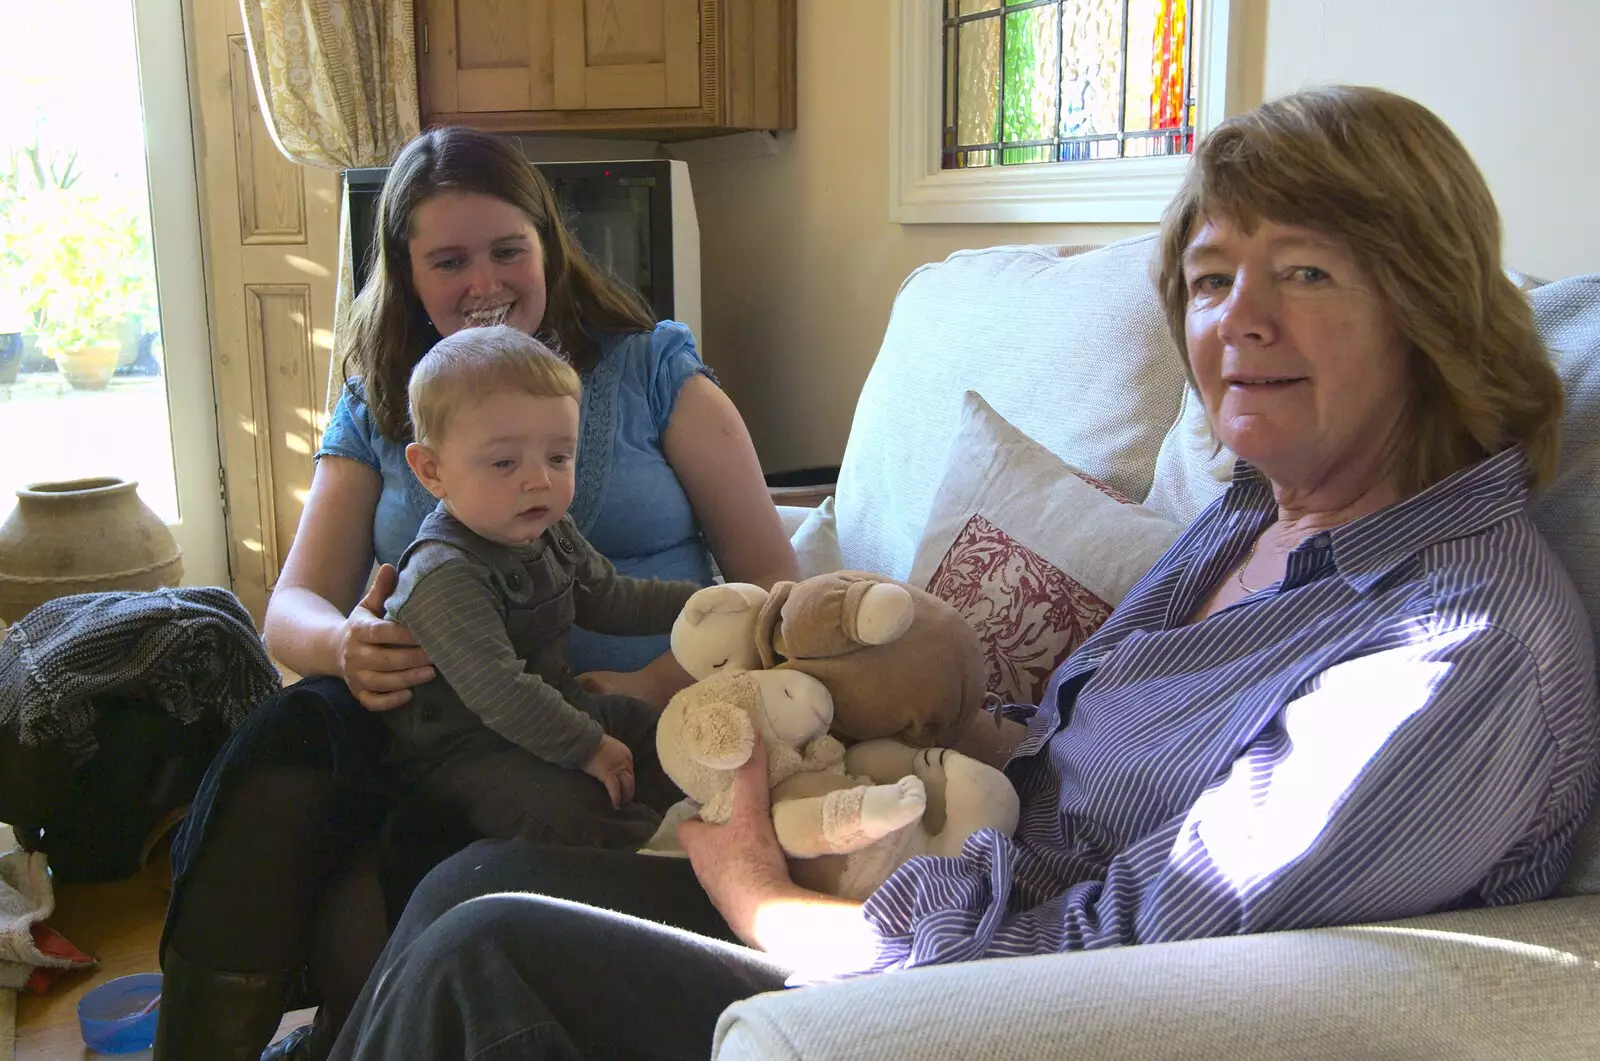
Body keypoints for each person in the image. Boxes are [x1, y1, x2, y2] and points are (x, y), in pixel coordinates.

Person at [325, 85, 1600, 1061]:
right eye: (1212, 277)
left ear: (1428, 306)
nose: (1235, 321)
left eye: (1306, 270)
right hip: (929, 872)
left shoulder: (1457, 645)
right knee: (469, 878)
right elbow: (1056, 741)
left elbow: (1138, 944)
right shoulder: (1252, 514)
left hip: (973, 987)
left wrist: (775, 903)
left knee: (492, 953)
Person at [152, 126, 797, 1061]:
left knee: (474, 842)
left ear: (549, 243)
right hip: (435, 712)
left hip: (627, 715)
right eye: (448, 260)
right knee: (282, 743)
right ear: (408, 273)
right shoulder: (381, 398)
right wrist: (343, 647)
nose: (483, 281)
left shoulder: (652, 368)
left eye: (507, 249)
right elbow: (289, 607)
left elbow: (773, 582)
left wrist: (659, 678)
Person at [383, 324, 699, 844]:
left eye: (558, 457)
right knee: (564, 810)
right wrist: (589, 746)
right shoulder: (442, 573)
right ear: (431, 470)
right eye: (505, 462)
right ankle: (659, 860)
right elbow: (499, 690)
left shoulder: (548, 529)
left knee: (651, 729)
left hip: (558, 707)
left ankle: (714, 813)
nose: (539, 481)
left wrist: (706, 603)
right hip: (466, 754)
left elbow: (611, 599)